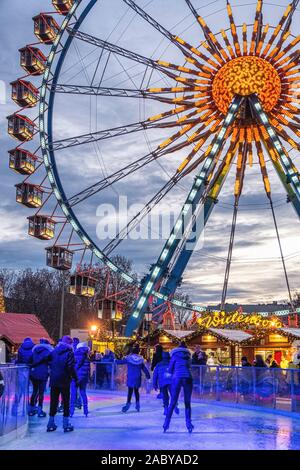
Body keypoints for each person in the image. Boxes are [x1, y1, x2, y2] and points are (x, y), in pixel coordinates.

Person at [47, 336, 78, 433]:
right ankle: (65, 423)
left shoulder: (54, 351)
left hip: (54, 379)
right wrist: (75, 378)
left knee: (53, 401)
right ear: (70, 344)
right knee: (65, 401)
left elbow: (49, 362)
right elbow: (70, 367)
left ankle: (50, 423)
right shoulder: (70, 353)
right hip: (64, 380)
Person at [163, 341, 194, 433]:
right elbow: (189, 366)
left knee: (173, 402)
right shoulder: (188, 356)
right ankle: (188, 424)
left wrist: (169, 372)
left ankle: (166, 423)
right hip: (188, 377)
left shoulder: (174, 356)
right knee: (187, 402)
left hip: (177, 378)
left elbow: (170, 368)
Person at [117, 344, 150, 413]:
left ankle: (128, 404)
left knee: (130, 391)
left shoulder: (129, 359)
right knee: (136, 391)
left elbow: (121, 362)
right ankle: (137, 405)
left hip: (131, 377)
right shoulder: (140, 360)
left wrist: (114, 360)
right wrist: (148, 375)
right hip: (137, 377)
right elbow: (144, 369)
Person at [29, 338, 53, 417]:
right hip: (43, 373)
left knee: (34, 391)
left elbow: (30, 361)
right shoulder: (48, 352)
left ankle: (31, 409)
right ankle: (40, 410)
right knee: (41, 393)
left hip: (34, 373)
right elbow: (50, 363)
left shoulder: (34, 351)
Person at [153, 351, 179, 416]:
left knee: (165, 395)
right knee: (173, 395)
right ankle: (175, 405)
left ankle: (166, 408)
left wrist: (155, 384)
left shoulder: (158, 364)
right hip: (171, 381)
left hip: (162, 382)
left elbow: (155, 375)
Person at [70, 342, 90, 417]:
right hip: (84, 378)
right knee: (83, 393)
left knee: (73, 393)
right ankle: (86, 411)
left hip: (76, 377)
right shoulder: (86, 355)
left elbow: (75, 366)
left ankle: (71, 411)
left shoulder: (76, 354)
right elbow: (88, 368)